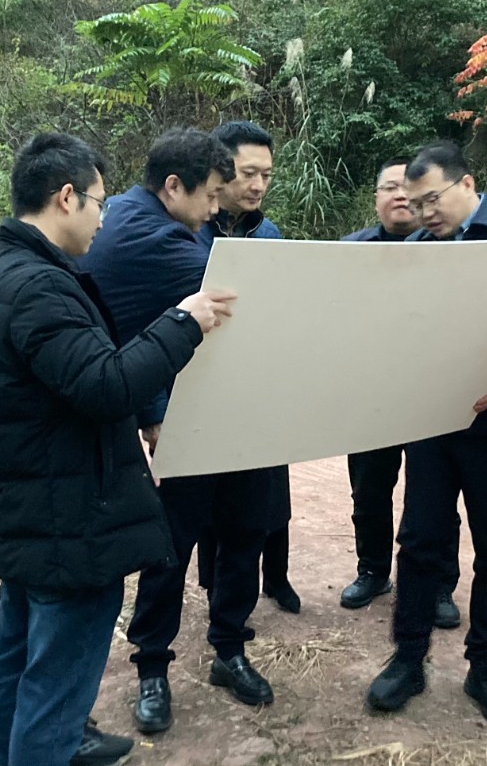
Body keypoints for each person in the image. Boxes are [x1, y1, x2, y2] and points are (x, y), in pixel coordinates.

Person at [0, 132, 235, 766]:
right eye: (99, 204)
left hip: (33, 511)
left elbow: (76, 381)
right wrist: (183, 323)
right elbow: (106, 384)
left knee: (15, 659)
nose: (104, 219)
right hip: (67, 524)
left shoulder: (9, 271)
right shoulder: (41, 287)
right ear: (67, 198)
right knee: (55, 688)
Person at [80, 128, 283, 734]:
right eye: (223, 187)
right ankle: (152, 667)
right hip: (188, 413)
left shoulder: (246, 232)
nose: (224, 202)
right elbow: (242, 309)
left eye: (262, 176)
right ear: (177, 186)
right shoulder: (162, 235)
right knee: (171, 546)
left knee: (245, 532)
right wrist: (154, 411)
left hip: (246, 412)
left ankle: (229, 649)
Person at [364, 141, 487, 728]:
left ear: (466, 185)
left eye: (432, 200)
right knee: (420, 540)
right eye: (415, 204)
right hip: (433, 422)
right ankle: (409, 657)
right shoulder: (418, 248)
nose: (424, 214)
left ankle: (486, 666)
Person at [337, 157, 463, 631]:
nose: (400, 197)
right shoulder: (350, 251)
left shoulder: (450, 249)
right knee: (369, 488)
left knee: (435, 495)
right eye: (389, 187)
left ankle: (440, 585)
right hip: (371, 392)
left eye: (408, 190)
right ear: (375, 198)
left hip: (433, 393)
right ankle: (372, 570)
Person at [192, 120, 300, 615]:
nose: (258, 185)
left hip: (262, 384)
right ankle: (217, 587)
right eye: (248, 173)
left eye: (267, 175)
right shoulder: (193, 230)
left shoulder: (269, 233)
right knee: (213, 494)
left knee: (269, 487)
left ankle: (276, 577)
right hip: (208, 383)